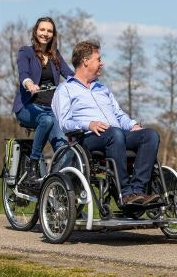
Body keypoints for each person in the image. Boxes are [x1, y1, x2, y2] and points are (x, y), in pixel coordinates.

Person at [52, 41, 160, 205]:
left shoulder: (102, 89)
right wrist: (88, 124)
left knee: (150, 135)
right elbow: (65, 122)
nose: (102, 63)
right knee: (114, 134)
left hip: (115, 135)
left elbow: (118, 114)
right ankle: (124, 193)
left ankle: (138, 191)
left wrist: (132, 126)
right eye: (98, 59)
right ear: (85, 61)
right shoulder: (65, 89)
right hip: (87, 138)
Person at [12, 16, 74, 185]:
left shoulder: (56, 56)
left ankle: (51, 183)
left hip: (50, 109)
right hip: (28, 107)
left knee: (66, 151)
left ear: (53, 35)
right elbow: (23, 74)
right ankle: (32, 165)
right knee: (45, 120)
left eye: (49, 31)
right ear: (36, 31)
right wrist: (29, 84)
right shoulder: (26, 52)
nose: (45, 33)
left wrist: (84, 83)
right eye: (42, 30)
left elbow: (69, 75)